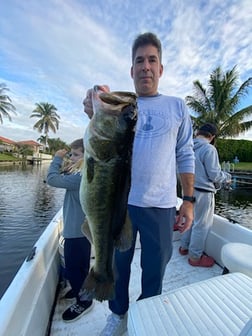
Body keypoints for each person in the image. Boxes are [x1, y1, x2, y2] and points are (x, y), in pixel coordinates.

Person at [83, 32, 195, 336]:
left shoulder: (176, 106)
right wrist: (93, 101)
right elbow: (98, 120)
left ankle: (148, 314)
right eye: (139, 61)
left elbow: (185, 153)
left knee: (155, 268)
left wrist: (188, 200)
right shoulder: (122, 105)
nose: (145, 66)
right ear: (131, 70)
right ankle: (117, 313)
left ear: (160, 69)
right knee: (117, 261)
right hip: (121, 202)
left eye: (152, 60)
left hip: (160, 205)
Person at [47, 139, 94, 322]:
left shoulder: (80, 178)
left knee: (75, 269)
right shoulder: (83, 173)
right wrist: (71, 163)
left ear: (87, 155)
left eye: (76, 154)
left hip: (75, 232)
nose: (71, 157)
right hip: (80, 232)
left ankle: (84, 302)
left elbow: (52, 179)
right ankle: (78, 289)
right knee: (81, 267)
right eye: (71, 154)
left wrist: (57, 158)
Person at [180, 123, 232, 267]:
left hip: (187, 192)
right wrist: (227, 177)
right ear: (212, 136)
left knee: (189, 220)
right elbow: (215, 175)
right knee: (201, 225)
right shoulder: (209, 149)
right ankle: (195, 257)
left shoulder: (187, 146)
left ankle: (184, 247)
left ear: (198, 132)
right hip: (204, 193)